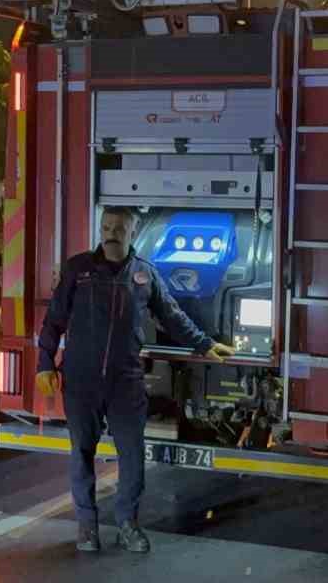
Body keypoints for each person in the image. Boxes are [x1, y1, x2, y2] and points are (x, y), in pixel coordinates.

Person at [35, 206, 235, 553]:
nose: (110, 233)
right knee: (82, 453)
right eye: (106, 226)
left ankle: (127, 524)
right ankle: (87, 527)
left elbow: (172, 316)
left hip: (125, 381)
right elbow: (53, 321)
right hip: (81, 381)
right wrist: (44, 363)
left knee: (133, 455)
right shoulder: (78, 269)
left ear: (132, 233)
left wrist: (204, 345)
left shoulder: (145, 274)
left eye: (119, 228)